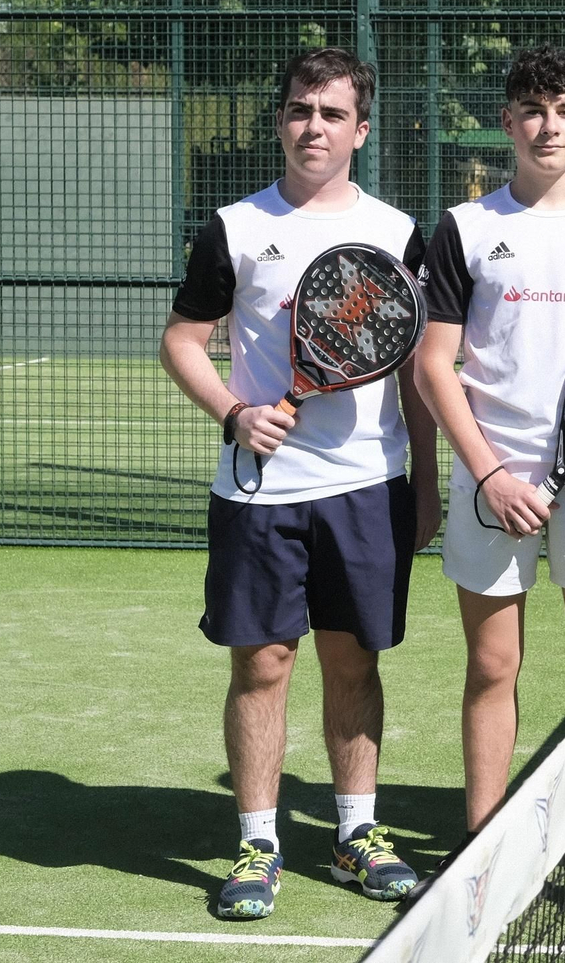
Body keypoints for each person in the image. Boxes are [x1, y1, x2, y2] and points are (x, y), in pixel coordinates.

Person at [160, 47, 442, 919]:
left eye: (329, 113)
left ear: (361, 129)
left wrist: (425, 482)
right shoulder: (234, 227)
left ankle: (357, 833)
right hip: (258, 491)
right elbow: (181, 339)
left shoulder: (397, 234)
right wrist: (234, 412)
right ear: (279, 121)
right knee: (263, 664)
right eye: (297, 110)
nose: (310, 127)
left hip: (367, 485)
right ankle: (258, 843)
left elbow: (415, 371)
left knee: (352, 659)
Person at [412, 44, 565, 930]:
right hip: (493, 484)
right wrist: (490, 473)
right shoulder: (465, 228)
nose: (547, 126)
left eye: (564, 108)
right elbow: (434, 366)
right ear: (508, 121)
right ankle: (482, 855)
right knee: (493, 667)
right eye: (531, 110)